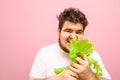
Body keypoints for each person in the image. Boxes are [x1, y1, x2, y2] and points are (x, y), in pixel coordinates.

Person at [29, 7, 112, 80]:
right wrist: (57, 78)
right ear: (59, 31)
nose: (73, 37)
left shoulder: (92, 54)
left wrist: (89, 76)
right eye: (68, 31)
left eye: (78, 32)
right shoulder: (44, 53)